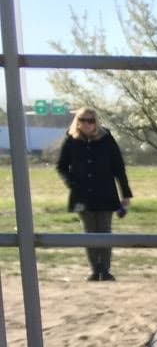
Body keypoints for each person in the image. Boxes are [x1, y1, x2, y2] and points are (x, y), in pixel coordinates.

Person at [55, 106, 132, 281]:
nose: (87, 124)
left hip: (106, 195)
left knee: (104, 232)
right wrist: (71, 183)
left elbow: (119, 168)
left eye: (90, 120)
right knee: (89, 233)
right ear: (78, 122)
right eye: (83, 120)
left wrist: (125, 194)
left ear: (96, 122)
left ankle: (105, 270)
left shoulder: (107, 140)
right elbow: (61, 167)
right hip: (82, 196)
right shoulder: (71, 141)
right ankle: (94, 269)